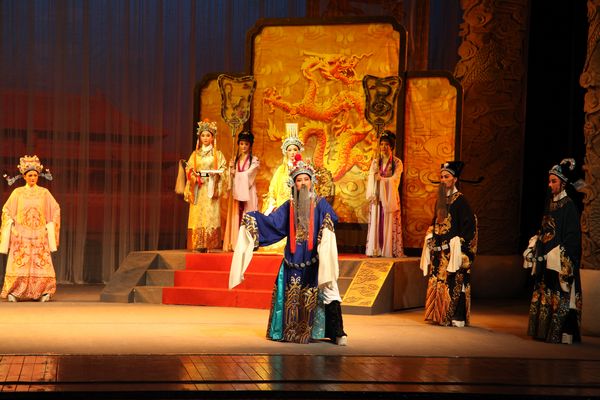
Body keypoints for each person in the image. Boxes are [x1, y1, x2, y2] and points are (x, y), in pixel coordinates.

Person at [229, 154, 347, 345]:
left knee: (330, 291)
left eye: (306, 179)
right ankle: (285, 332)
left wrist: (326, 225)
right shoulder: (288, 206)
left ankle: (337, 333)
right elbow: (273, 224)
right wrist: (253, 219)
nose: (303, 183)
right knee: (289, 296)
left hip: (316, 261)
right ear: (294, 184)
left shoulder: (320, 203)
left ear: (312, 182)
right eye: (299, 180)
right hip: (292, 262)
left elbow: (332, 218)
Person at [523, 158, 583, 344]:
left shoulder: (569, 206)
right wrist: (534, 244)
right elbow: (545, 229)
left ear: (563, 183)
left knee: (560, 294)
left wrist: (557, 254)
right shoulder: (550, 204)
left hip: (558, 260)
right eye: (549, 181)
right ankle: (543, 331)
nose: (550, 185)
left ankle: (563, 332)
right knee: (544, 290)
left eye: (553, 181)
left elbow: (573, 238)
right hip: (546, 257)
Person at [419, 161, 477, 327]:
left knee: (454, 282)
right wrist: (430, 234)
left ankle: (456, 316)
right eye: (442, 177)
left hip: (452, 252)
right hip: (439, 251)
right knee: (438, 280)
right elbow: (435, 222)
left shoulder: (461, 201)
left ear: (455, 179)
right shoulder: (441, 200)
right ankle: (438, 315)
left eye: (447, 177)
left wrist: (459, 245)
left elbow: (470, 227)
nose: (443, 180)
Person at [0, 155, 60, 302]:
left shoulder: (44, 193)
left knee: (41, 262)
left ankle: (43, 291)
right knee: (20, 261)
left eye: (35, 175)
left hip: (39, 234)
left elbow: (55, 209)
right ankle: (15, 291)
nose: (33, 178)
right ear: (24, 177)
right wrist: (11, 226)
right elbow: (6, 210)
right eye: (30, 175)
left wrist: (49, 227)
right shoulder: (17, 193)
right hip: (21, 235)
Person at [183, 118, 227, 252]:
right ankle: (197, 243)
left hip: (210, 187)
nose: (205, 138)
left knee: (210, 214)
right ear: (200, 137)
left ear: (212, 137)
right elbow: (189, 169)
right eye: (203, 135)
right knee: (197, 215)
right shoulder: (195, 154)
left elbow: (223, 169)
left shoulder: (218, 155)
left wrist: (217, 175)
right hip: (198, 187)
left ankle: (210, 244)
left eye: (208, 135)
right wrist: (193, 177)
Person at [365, 130, 404, 257]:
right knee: (376, 221)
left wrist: (381, 180)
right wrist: (373, 177)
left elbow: (395, 179)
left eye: (386, 144)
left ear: (391, 146)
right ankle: (375, 249)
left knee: (388, 222)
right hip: (377, 196)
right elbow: (371, 177)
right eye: (381, 144)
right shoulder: (376, 162)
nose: (383, 147)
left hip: (389, 197)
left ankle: (388, 250)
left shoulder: (397, 163)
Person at [223, 131, 260, 251]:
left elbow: (250, 175)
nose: (243, 146)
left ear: (250, 145)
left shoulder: (254, 160)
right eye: (241, 144)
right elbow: (230, 179)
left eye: (246, 144)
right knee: (236, 215)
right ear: (238, 144)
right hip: (237, 192)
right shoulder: (235, 160)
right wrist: (230, 171)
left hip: (248, 191)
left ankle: (248, 243)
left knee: (248, 214)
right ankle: (235, 243)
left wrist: (236, 174)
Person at [262, 128, 304, 215]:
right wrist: (273, 206)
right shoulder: (281, 170)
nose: (292, 152)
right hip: (282, 208)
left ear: (298, 151)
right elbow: (272, 190)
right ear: (286, 152)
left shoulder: (304, 169)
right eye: (290, 150)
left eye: (295, 149)